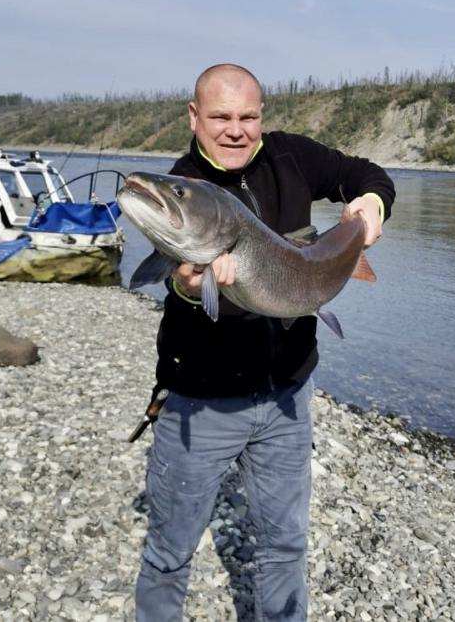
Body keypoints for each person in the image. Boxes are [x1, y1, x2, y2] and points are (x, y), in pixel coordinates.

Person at [135, 64, 396, 621]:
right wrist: (188, 287)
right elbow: (178, 291)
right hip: (202, 404)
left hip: (287, 398)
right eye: (220, 117)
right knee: (168, 555)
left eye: (247, 116)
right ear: (194, 117)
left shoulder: (290, 156)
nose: (236, 130)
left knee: (285, 546)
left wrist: (370, 206)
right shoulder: (187, 189)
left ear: (261, 117)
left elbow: (368, 174)